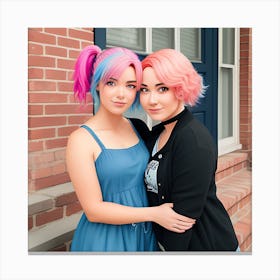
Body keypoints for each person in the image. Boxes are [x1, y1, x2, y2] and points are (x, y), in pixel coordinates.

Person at [66, 45, 195, 252]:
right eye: (111, 83)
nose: (121, 94)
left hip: (144, 235)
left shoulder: (138, 127)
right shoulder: (81, 140)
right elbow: (94, 210)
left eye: (130, 85)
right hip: (107, 239)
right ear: (97, 84)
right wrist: (153, 214)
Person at [139, 48, 239, 251]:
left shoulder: (193, 140)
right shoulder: (158, 132)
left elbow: (183, 220)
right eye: (144, 89)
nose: (151, 100)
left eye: (162, 89)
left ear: (181, 88)